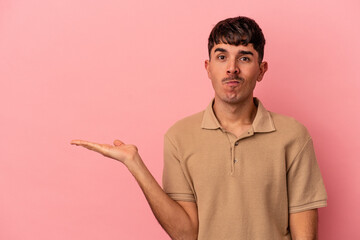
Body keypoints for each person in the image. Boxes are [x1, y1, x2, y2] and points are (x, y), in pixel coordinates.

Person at [71, 16, 327, 240]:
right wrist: (135, 164)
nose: (232, 68)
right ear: (208, 68)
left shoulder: (293, 136)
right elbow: (186, 234)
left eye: (244, 58)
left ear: (261, 70)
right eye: (221, 56)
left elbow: (305, 234)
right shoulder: (179, 137)